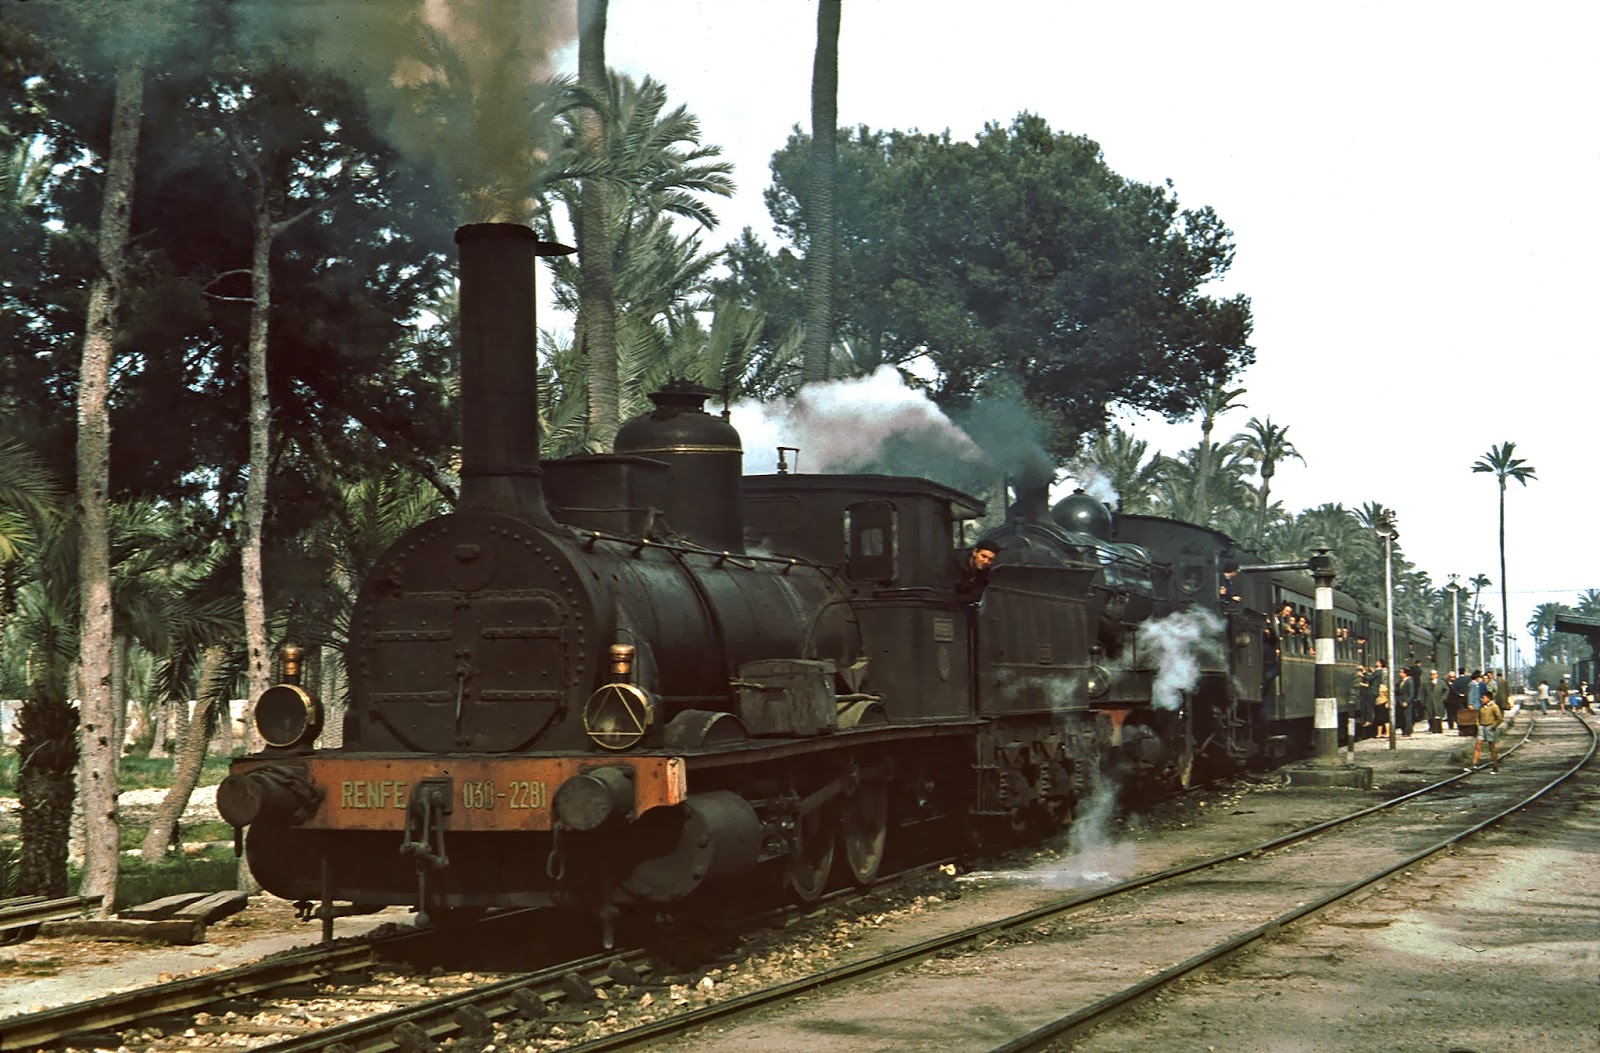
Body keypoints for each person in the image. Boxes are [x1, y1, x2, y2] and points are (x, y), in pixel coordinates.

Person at [953, 539, 1000, 605]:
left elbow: (976, 596)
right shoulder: (954, 564)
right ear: (975, 552)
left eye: (990, 559)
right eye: (983, 556)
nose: (986, 561)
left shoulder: (985, 574)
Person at [1470, 689, 1504, 772]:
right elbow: (1478, 717)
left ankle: (1495, 766)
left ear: (1488, 699)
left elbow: (1499, 718)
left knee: (1491, 747)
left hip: (1489, 727)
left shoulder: (1494, 707)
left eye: (1483, 698)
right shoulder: (1481, 707)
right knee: (1477, 746)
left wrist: (1493, 726)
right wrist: (1478, 725)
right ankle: (1474, 765)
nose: (1482, 699)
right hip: (1481, 727)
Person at [1395, 666, 1417, 736]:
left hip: (1406, 702)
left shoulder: (1409, 681)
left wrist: (1407, 702)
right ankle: (1403, 730)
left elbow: (1411, 693)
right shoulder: (1400, 681)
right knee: (1401, 717)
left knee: (1407, 717)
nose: (1399, 674)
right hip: (1399, 701)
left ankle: (1408, 731)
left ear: (1405, 673)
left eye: (1401, 672)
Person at [1426, 668, 1449, 733]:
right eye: (1431, 674)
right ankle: (1432, 727)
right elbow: (1422, 692)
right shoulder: (1426, 682)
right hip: (1429, 701)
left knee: (1438, 715)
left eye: (1434, 674)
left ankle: (1437, 728)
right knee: (1430, 715)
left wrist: (1443, 698)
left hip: (1438, 701)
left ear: (1437, 675)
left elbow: (1447, 690)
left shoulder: (1441, 682)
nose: (1432, 675)